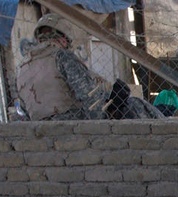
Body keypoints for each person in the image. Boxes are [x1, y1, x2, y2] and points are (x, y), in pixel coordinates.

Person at [16, 14, 164, 121]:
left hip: (41, 131)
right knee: (135, 105)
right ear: (63, 38)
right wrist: (111, 111)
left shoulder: (22, 67)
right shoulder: (61, 56)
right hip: (74, 124)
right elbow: (90, 98)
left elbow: (24, 110)